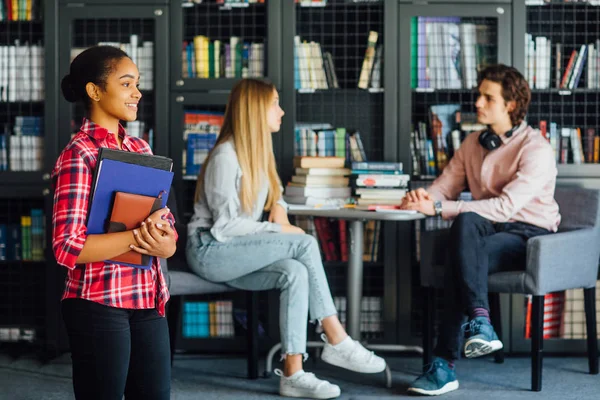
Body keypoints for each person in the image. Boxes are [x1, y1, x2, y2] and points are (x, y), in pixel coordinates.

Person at [186, 78, 386, 399]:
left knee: (294, 272)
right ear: (254, 110)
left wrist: (279, 208)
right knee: (303, 243)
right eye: (275, 103)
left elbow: (275, 197)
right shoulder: (226, 156)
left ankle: (293, 373)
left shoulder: (258, 152)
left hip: (232, 252)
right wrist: (281, 230)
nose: (281, 111)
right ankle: (336, 337)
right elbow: (226, 227)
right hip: (210, 250)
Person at [402, 64, 560, 396]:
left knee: (463, 243)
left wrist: (441, 208)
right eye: (479, 95)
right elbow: (444, 187)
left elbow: (504, 207)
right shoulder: (473, 143)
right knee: (467, 225)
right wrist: (423, 198)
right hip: (483, 230)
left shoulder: (536, 149)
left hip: (530, 237)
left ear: (511, 105)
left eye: (488, 97)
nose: (477, 103)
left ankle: (443, 364)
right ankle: (480, 322)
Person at [52, 46, 177, 400]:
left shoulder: (141, 149)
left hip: (147, 299)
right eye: (126, 83)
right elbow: (68, 248)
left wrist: (166, 243)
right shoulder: (79, 155)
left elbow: (166, 229)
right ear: (95, 91)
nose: (137, 92)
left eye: (137, 83)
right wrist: (140, 235)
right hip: (97, 301)